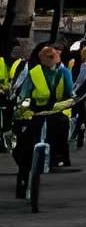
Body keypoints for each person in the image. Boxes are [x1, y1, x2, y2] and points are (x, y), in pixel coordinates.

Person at [12, 43, 75, 192]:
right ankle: (22, 180)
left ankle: (57, 157)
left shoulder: (63, 73)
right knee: (24, 145)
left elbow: (69, 93)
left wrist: (69, 101)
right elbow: (25, 93)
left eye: (54, 57)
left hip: (54, 111)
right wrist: (23, 106)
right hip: (34, 112)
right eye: (48, 57)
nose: (52, 60)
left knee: (62, 126)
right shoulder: (34, 72)